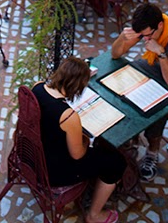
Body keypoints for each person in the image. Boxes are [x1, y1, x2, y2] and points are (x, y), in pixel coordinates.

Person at [111, 2, 168, 181]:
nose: (144, 40)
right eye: (141, 36)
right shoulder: (148, 28)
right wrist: (122, 37)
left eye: (147, 36)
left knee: (157, 111)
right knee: (125, 77)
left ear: (159, 26)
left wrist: (160, 53)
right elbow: (115, 54)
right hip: (157, 66)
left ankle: (152, 152)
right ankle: (130, 135)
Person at [32, 56, 126, 223]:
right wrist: (83, 138)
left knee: (101, 154)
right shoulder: (68, 116)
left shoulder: (37, 87)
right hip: (54, 171)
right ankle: (94, 215)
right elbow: (78, 155)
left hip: (34, 155)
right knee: (116, 162)